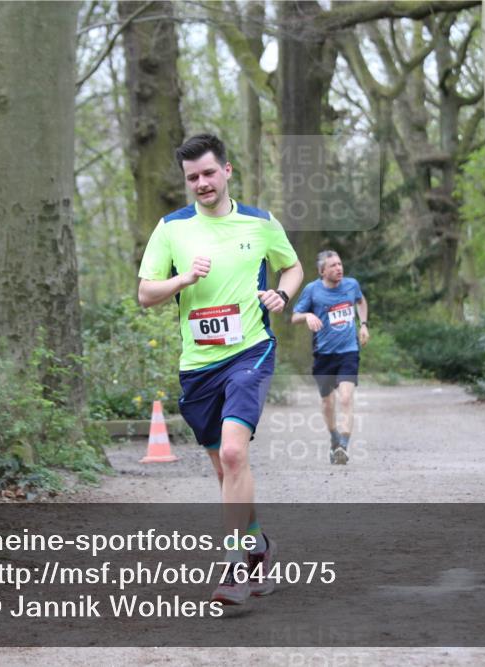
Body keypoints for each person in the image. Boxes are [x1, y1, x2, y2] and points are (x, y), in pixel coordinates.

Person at [137, 134, 303, 606]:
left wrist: (282, 295)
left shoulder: (260, 222)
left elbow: (292, 268)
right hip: (198, 365)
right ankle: (260, 547)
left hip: (250, 350)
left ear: (227, 171)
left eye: (209, 173)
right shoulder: (171, 229)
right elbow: (146, 294)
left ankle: (234, 566)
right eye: (192, 177)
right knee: (224, 467)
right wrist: (183, 278)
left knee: (233, 453)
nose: (202, 183)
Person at [291, 250, 369, 465]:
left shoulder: (351, 285)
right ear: (322, 271)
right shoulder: (312, 290)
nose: (338, 268)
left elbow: (361, 301)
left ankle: (343, 446)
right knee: (327, 402)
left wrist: (363, 324)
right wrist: (308, 315)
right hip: (323, 354)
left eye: (340, 264)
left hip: (348, 351)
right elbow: (295, 316)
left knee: (345, 398)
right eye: (333, 265)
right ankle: (334, 438)